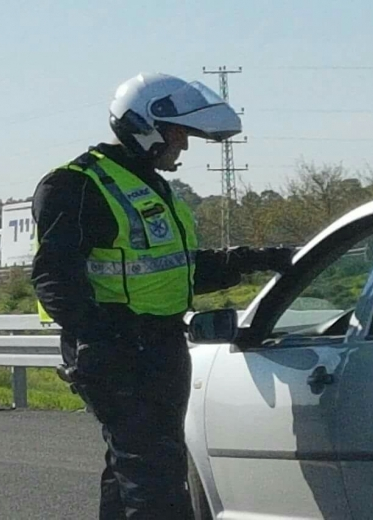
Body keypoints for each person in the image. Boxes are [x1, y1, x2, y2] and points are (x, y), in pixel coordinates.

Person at [30, 72, 294, 519]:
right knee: (155, 478)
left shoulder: (151, 185)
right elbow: (53, 279)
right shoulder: (77, 185)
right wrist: (102, 340)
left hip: (159, 348)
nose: (184, 145)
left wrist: (258, 259)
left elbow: (180, 270)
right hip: (118, 354)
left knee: (134, 469)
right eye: (178, 133)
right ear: (144, 127)